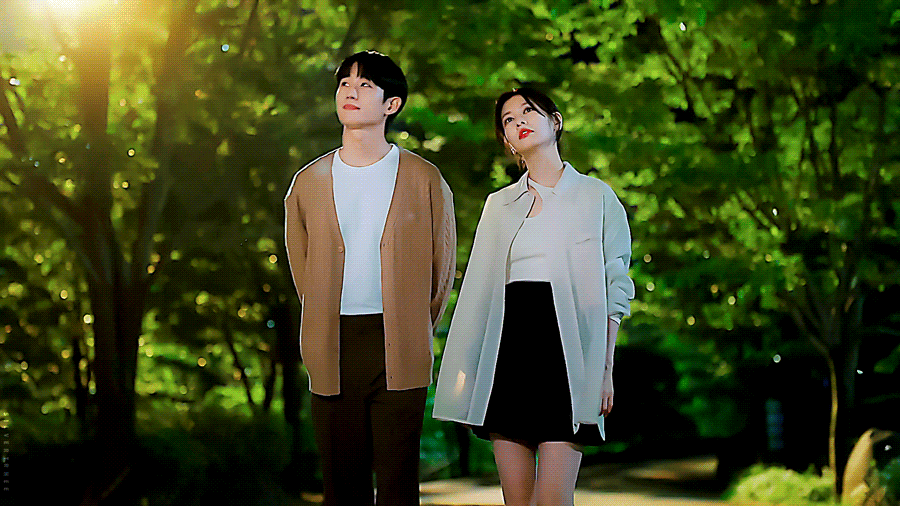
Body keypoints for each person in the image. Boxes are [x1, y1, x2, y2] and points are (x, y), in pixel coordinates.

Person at [433, 87, 634, 506]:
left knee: (553, 501)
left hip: (567, 354)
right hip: (508, 355)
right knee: (517, 502)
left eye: (528, 110)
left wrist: (605, 367)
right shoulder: (499, 205)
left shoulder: (596, 196)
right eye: (508, 120)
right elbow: (479, 296)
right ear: (507, 141)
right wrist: (467, 375)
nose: (518, 121)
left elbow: (615, 284)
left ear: (555, 121)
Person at [284, 50, 456, 506]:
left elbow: (442, 268)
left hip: (400, 343)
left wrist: (414, 324)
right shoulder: (308, 181)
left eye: (365, 85)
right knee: (342, 485)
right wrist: (321, 314)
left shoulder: (424, 177)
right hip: (331, 341)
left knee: (398, 483)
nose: (350, 92)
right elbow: (301, 266)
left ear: (391, 104)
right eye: (344, 83)